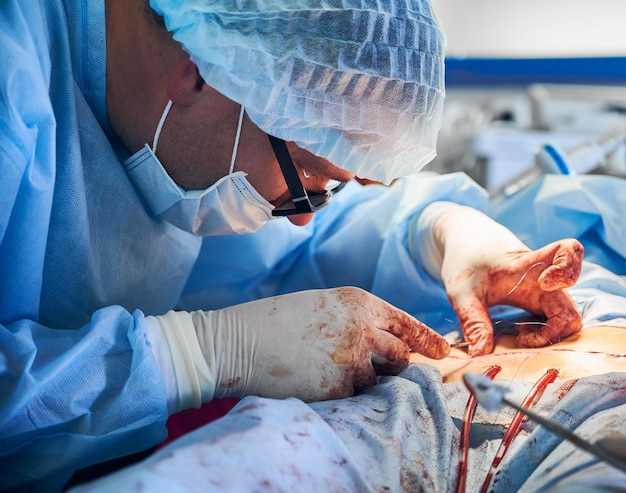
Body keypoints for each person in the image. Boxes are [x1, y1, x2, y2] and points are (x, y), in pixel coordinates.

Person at [0, 1, 587, 492]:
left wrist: (433, 231)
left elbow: (285, 253)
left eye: (331, 186)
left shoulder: (206, 129)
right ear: (201, 73)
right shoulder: (14, 78)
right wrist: (193, 354)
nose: (302, 220)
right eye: (311, 178)